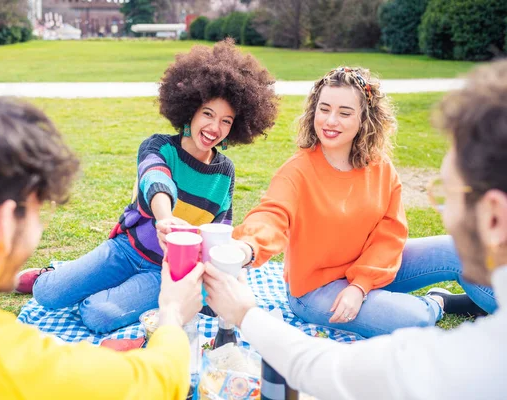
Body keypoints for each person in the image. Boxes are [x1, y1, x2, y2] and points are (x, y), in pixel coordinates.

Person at [203, 59, 507, 399]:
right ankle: (440, 303)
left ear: (364, 119)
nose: (331, 121)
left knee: (456, 249)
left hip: (368, 270)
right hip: (316, 291)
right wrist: (246, 248)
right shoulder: (297, 171)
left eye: (345, 112)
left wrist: (361, 286)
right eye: (324, 109)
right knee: (415, 317)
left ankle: (500, 314)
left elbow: (390, 233)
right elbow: (272, 215)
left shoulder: (381, 168)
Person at [0, 84, 205, 399]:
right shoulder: (12, 366)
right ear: (2, 226)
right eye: (39, 212)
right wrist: (171, 313)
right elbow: (160, 379)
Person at [17, 38, 279, 333]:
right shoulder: (159, 147)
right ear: (190, 109)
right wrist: (165, 219)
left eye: (226, 121)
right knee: (47, 294)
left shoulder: (225, 172)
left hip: (164, 271)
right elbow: (155, 178)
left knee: (97, 315)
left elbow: (218, 229)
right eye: (208, 114)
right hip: (125, 249)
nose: (214, 128)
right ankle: (58, 275)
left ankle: (98, 290)